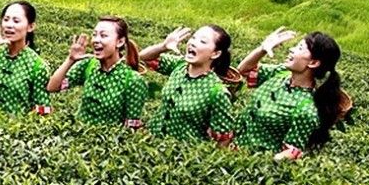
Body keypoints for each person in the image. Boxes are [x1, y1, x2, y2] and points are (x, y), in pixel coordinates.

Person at [233, 27, 342, 160]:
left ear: (313, 63)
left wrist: (259, 165)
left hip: (249, 161)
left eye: (300, 48)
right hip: (230, 147)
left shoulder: (306, 109)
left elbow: (291, 151)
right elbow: (243, 70)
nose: (292, 49)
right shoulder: (280, 73)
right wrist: (263, 48)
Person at [138, 25, 235, 145]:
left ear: (215, 54)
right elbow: (143, 58)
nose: (193, 43)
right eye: (193, 38)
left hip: (180, 154)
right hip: (151, 142)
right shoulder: (179, 66)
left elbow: (223, 137)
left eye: (202, 41)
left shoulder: (217, 92)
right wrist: (163, 47)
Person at [47, 16, 147, 128]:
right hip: (78, 134)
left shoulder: (133, 80)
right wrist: (70, 59)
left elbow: (131, 126)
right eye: (94, 35)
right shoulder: (88, 65)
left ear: (120, 42)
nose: (95, 40)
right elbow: (52, 87)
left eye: (103, 35)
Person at [0, 0, 52, 116]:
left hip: (17, 130)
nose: (9, 25)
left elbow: (43, 109)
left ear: (30, 27)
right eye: (6, 19)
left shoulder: (37, 66)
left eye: (16, 21)